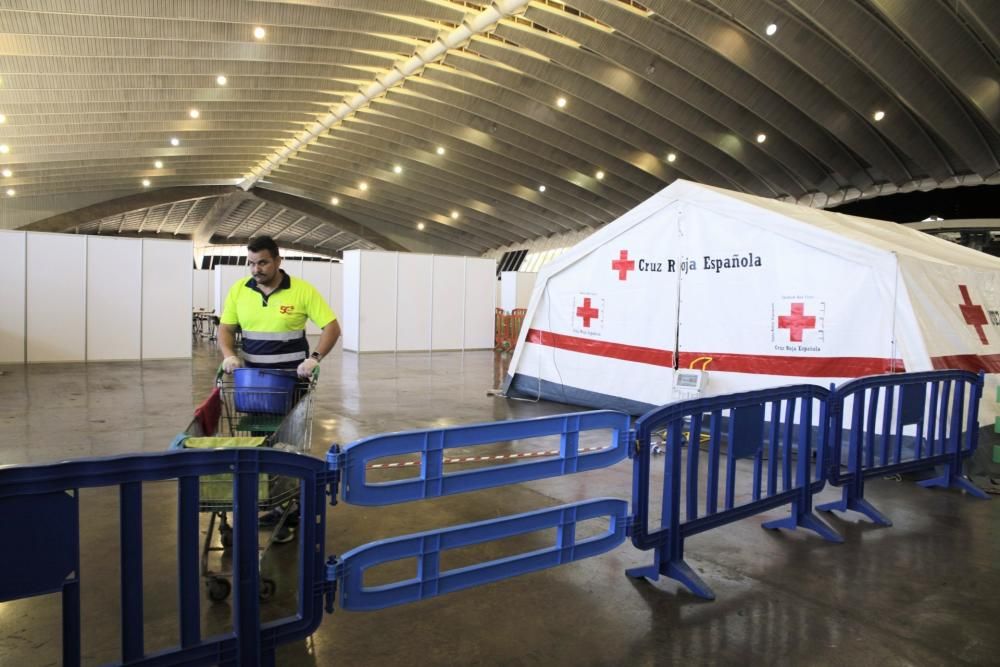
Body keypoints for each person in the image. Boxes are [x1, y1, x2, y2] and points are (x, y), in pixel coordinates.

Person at [217, 235, 341, 542]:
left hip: (290, 385)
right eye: (251, 263)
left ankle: (288, 506)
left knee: (287, 446)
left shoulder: (302, 291)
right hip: (253, 386)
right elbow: (226, 328)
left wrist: (313, 359)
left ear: (278, 261)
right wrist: (229, 355)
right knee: (261, 443)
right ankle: (272, 501)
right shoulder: (239, 291)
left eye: (262, 262)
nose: (256, 269)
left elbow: (331, 327)